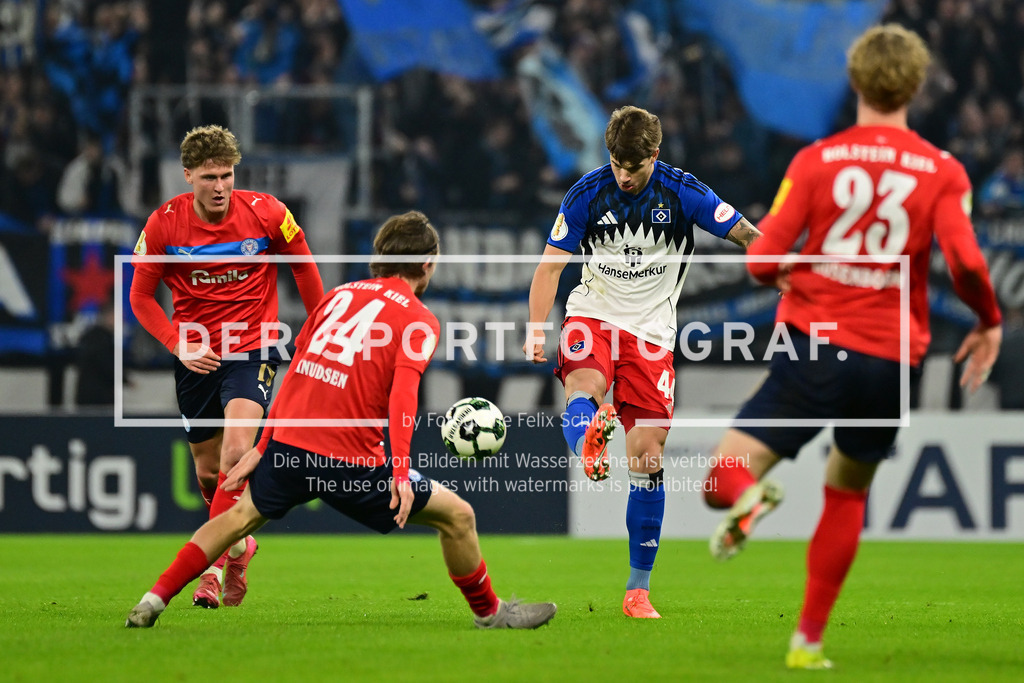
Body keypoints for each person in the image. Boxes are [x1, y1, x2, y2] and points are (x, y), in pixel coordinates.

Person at [700, 24, 1003, 669]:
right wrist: (989, 321)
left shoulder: (816, 161)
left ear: (855, 81)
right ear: (916, 87)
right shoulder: (944, 172)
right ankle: (807, 642)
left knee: (721, 482)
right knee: (847, 494)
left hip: (817, 342)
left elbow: (761, 258)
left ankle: (754, 500)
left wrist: (776, 268)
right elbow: (971, 265)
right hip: (891, 362)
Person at [126, 211, 557, 630]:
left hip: (291, 448)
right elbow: (403, 398)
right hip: (352, 463)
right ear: (427, 264)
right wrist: (401, 472)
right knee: (458, 516)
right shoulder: (418, 318)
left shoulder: (338, 296)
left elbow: (294, 373)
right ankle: (490, 613)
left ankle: (153, 599)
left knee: (235, 520)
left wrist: (263, 447)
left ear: (379, 258)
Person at [522, 105, 763, 619]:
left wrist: (782, 270)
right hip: (593, 312)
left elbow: (746, 234)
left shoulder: (683, 192)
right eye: (616, 164)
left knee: (647, 455)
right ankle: (588, 437)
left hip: (652, 334)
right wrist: (535, 328)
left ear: (655, 154)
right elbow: (549, 270)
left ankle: (637, 590)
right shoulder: (586, 194)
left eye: (634, 166)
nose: (624, 176)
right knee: (583, 384)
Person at [129, 124, 324, 609]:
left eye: (228, 175)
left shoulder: (268, 214)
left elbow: (303, 265)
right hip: (195, 354)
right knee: (210, 473)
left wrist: (316, 328)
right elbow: (140, 297)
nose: (220, 186)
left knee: (237, 453)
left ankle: (210, 573)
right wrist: (177, 345)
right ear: (188, 174)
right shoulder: (163, 225)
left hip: (252, 347)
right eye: (210, 176)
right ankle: (239, 548)